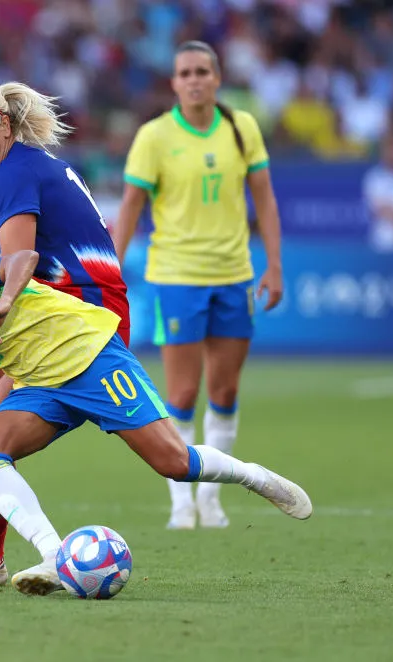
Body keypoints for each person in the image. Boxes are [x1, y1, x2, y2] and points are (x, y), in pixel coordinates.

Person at [0, 246, 312, 596]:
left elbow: (23, 258)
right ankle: (54, 558)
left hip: (90, 357)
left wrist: (4, 301)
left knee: (174, 463)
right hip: (42, 385)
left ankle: (254, 476)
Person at [0, 79, 131, 587]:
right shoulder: (27, 164)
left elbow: (19, 267)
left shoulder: (16, 174)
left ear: (4, 126)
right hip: (66, 304)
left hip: (77, 315)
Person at [112, 41, 285, 530]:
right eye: (184, 72)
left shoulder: (241, 127)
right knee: (183, 394)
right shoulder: (155, 136)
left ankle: (211, 499)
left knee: (226, 390)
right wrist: (112, 265)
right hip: (177, 277)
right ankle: (180, 503)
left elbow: (265, 200)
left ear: (217, 77)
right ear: (174, 83)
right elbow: (130, 206)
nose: (193, 79)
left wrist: (273, 264)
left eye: (202, 71)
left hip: (234, 275)